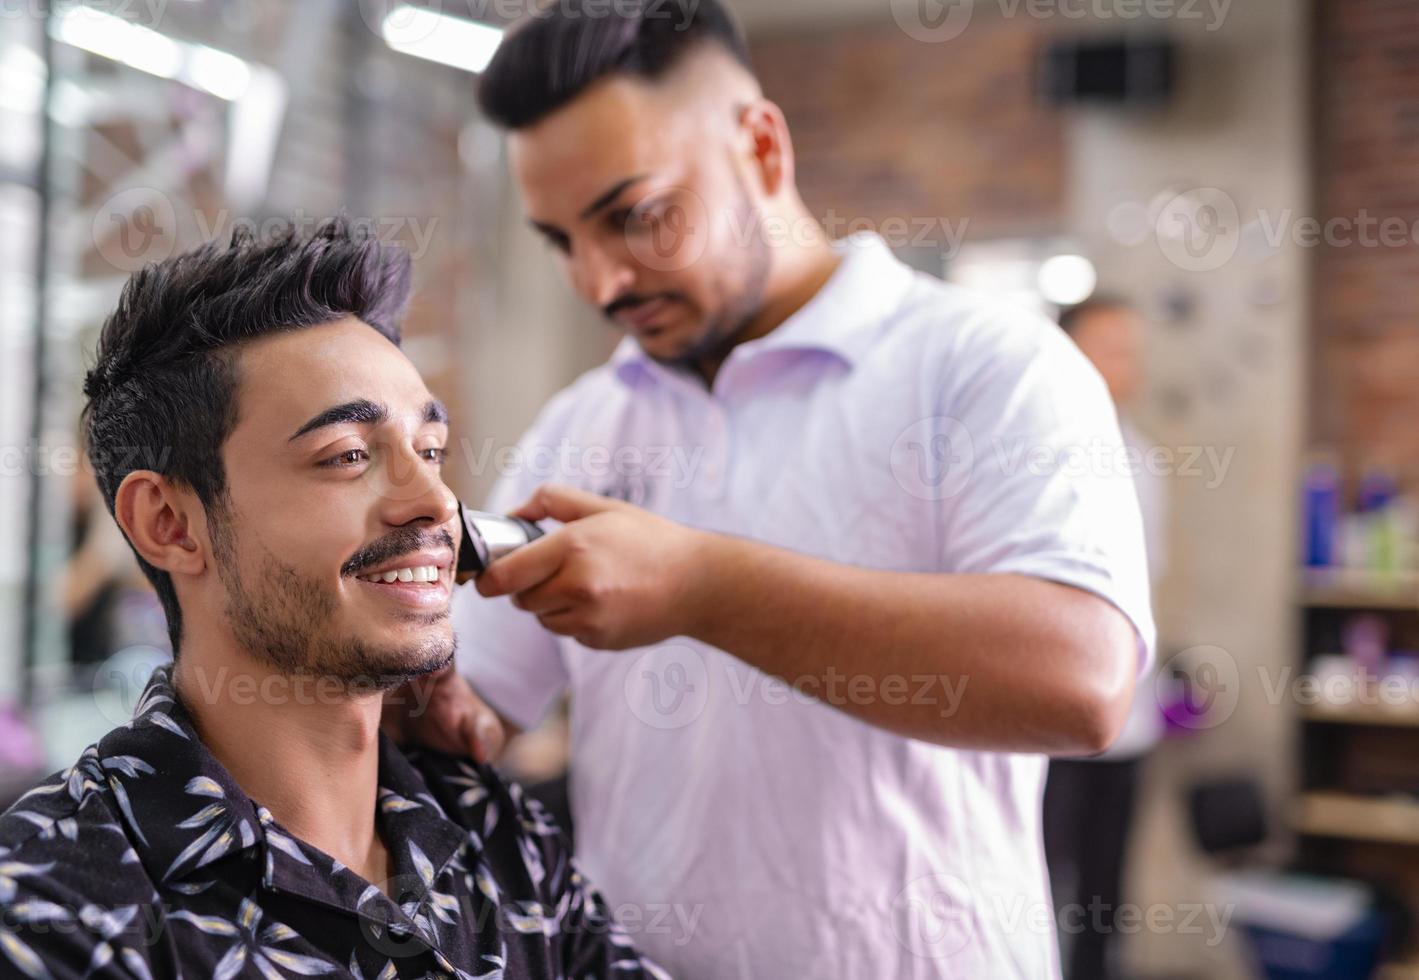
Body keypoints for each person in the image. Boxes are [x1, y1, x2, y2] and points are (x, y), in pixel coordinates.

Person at [401, 1, 1156, 975]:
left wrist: (702, 586)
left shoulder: (985, 366)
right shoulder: (585, 421)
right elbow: (477, 703)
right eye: (561, 240)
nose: (599, 280)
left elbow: (1080, 678)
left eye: (636, 216)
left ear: (760, 146)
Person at [0, 221, 667, 980]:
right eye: (348, 456)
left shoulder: (492, 836)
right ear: (170, 524)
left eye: (431, 452)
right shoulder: (56, 911)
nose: (434, 502)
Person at [1045, 296, 1168, 980]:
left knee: (1104, 889)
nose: (1126, 364)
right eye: (1110, 346)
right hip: (1055, 715)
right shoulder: (1040, 450)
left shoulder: (1140, 452)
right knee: (1044, 882)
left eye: (1132, 348)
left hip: (1131, 715)